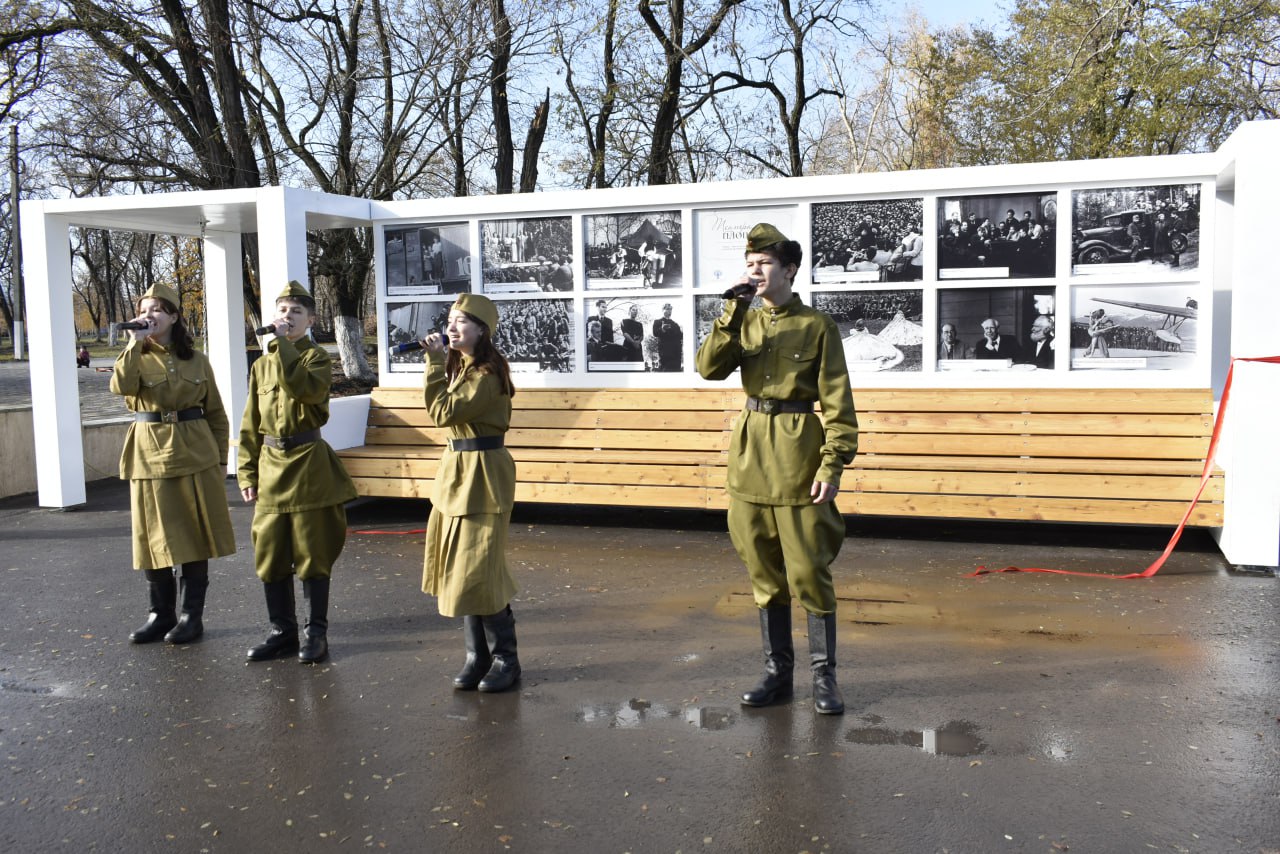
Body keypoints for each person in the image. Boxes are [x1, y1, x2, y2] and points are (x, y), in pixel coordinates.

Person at [695, 223, 859, 715]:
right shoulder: (741, 319)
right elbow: (708, 368)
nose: (754, 270)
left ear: (789, 269)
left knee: (809, 568)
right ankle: (777, 675)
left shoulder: (817, 326)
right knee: (763, 572)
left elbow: (838, 403)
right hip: (749, 456)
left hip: (796, 456)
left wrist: (832, 465)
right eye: (749, 263)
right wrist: (731, 309)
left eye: (764, 263)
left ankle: (824, 679)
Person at [238, 281, 358, 664]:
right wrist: (246, 473)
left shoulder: (315, 359)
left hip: (308, 465)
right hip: (272, 467)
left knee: (312, 553)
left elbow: (304, 390)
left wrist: (281, 345)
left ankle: (315, 634)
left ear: (311, 319)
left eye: (295, 312)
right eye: (281, 311)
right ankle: (281, 632)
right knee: (270, 553)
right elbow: (250, 423)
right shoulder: (260, 365)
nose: (286, 318)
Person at [109, 282, 235, 645]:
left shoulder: (197, 360)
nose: (149, 316)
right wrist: (134, 342)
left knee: (195, 535)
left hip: (196, 454)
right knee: (152, 536)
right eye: (145, 310)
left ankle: (190, 617)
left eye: (157, 310)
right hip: (149, 456)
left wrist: (220, 461)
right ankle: (159, 615)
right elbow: (120, 387)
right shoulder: (134, 355)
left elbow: (216, 414)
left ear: (174, 317)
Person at [420, 293, 522, 693]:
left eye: (462, 320)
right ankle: (476, 657)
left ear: (482, 330)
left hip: (483, 476)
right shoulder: (462, 368)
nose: (451, 326)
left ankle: (505, 660)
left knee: (479, 568)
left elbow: (444, 413)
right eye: (449, 318)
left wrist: (431, 365)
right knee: (459, 568)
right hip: (458, 473)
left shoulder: (487, 374)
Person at [652, 303, 683, 372]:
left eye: (671, 309)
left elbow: (680, 336)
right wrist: (662, 329)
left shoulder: (675, 324)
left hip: (676, 354)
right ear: (663, 310)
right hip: (665, 354)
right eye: (668, 309)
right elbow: (655, 333)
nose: (670, 311)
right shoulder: (657, 322)